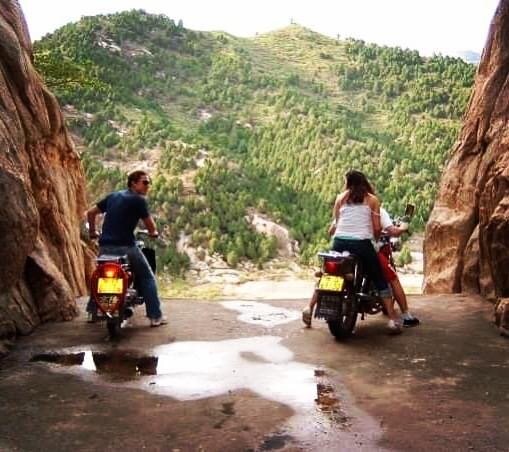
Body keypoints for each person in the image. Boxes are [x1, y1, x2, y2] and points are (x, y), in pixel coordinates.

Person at [303, 170, 402, 333]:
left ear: (348, 183)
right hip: (361, 244)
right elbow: (377, 227)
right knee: (379, 278)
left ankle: (309, 308)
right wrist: (375, 239)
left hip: (339, 242)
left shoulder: (340, 199)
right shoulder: (372, 200)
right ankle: (392, 319)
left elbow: (336, 224)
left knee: (328, 274)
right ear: (365, 182)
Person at [86, 170, 167, 327]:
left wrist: (92, 232)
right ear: (133, 183)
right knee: (147, 277)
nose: (147, 186)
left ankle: (91, 312)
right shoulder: (138, 201)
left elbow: (90, 213)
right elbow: (151, 225)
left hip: (105, 247)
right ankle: (155, 316)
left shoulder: (113, 196)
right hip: (126, 247)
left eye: (149, 182)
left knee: (100, 276)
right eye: (145, 182)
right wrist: (153, 233)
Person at [377, 207, 420, 327]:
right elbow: (393, 231)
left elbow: (331, 230)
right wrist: (403, 227)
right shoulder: (375, 207)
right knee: (392, 278)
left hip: (341, 248)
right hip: (367, 249)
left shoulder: (344, 203)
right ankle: (405, 316)